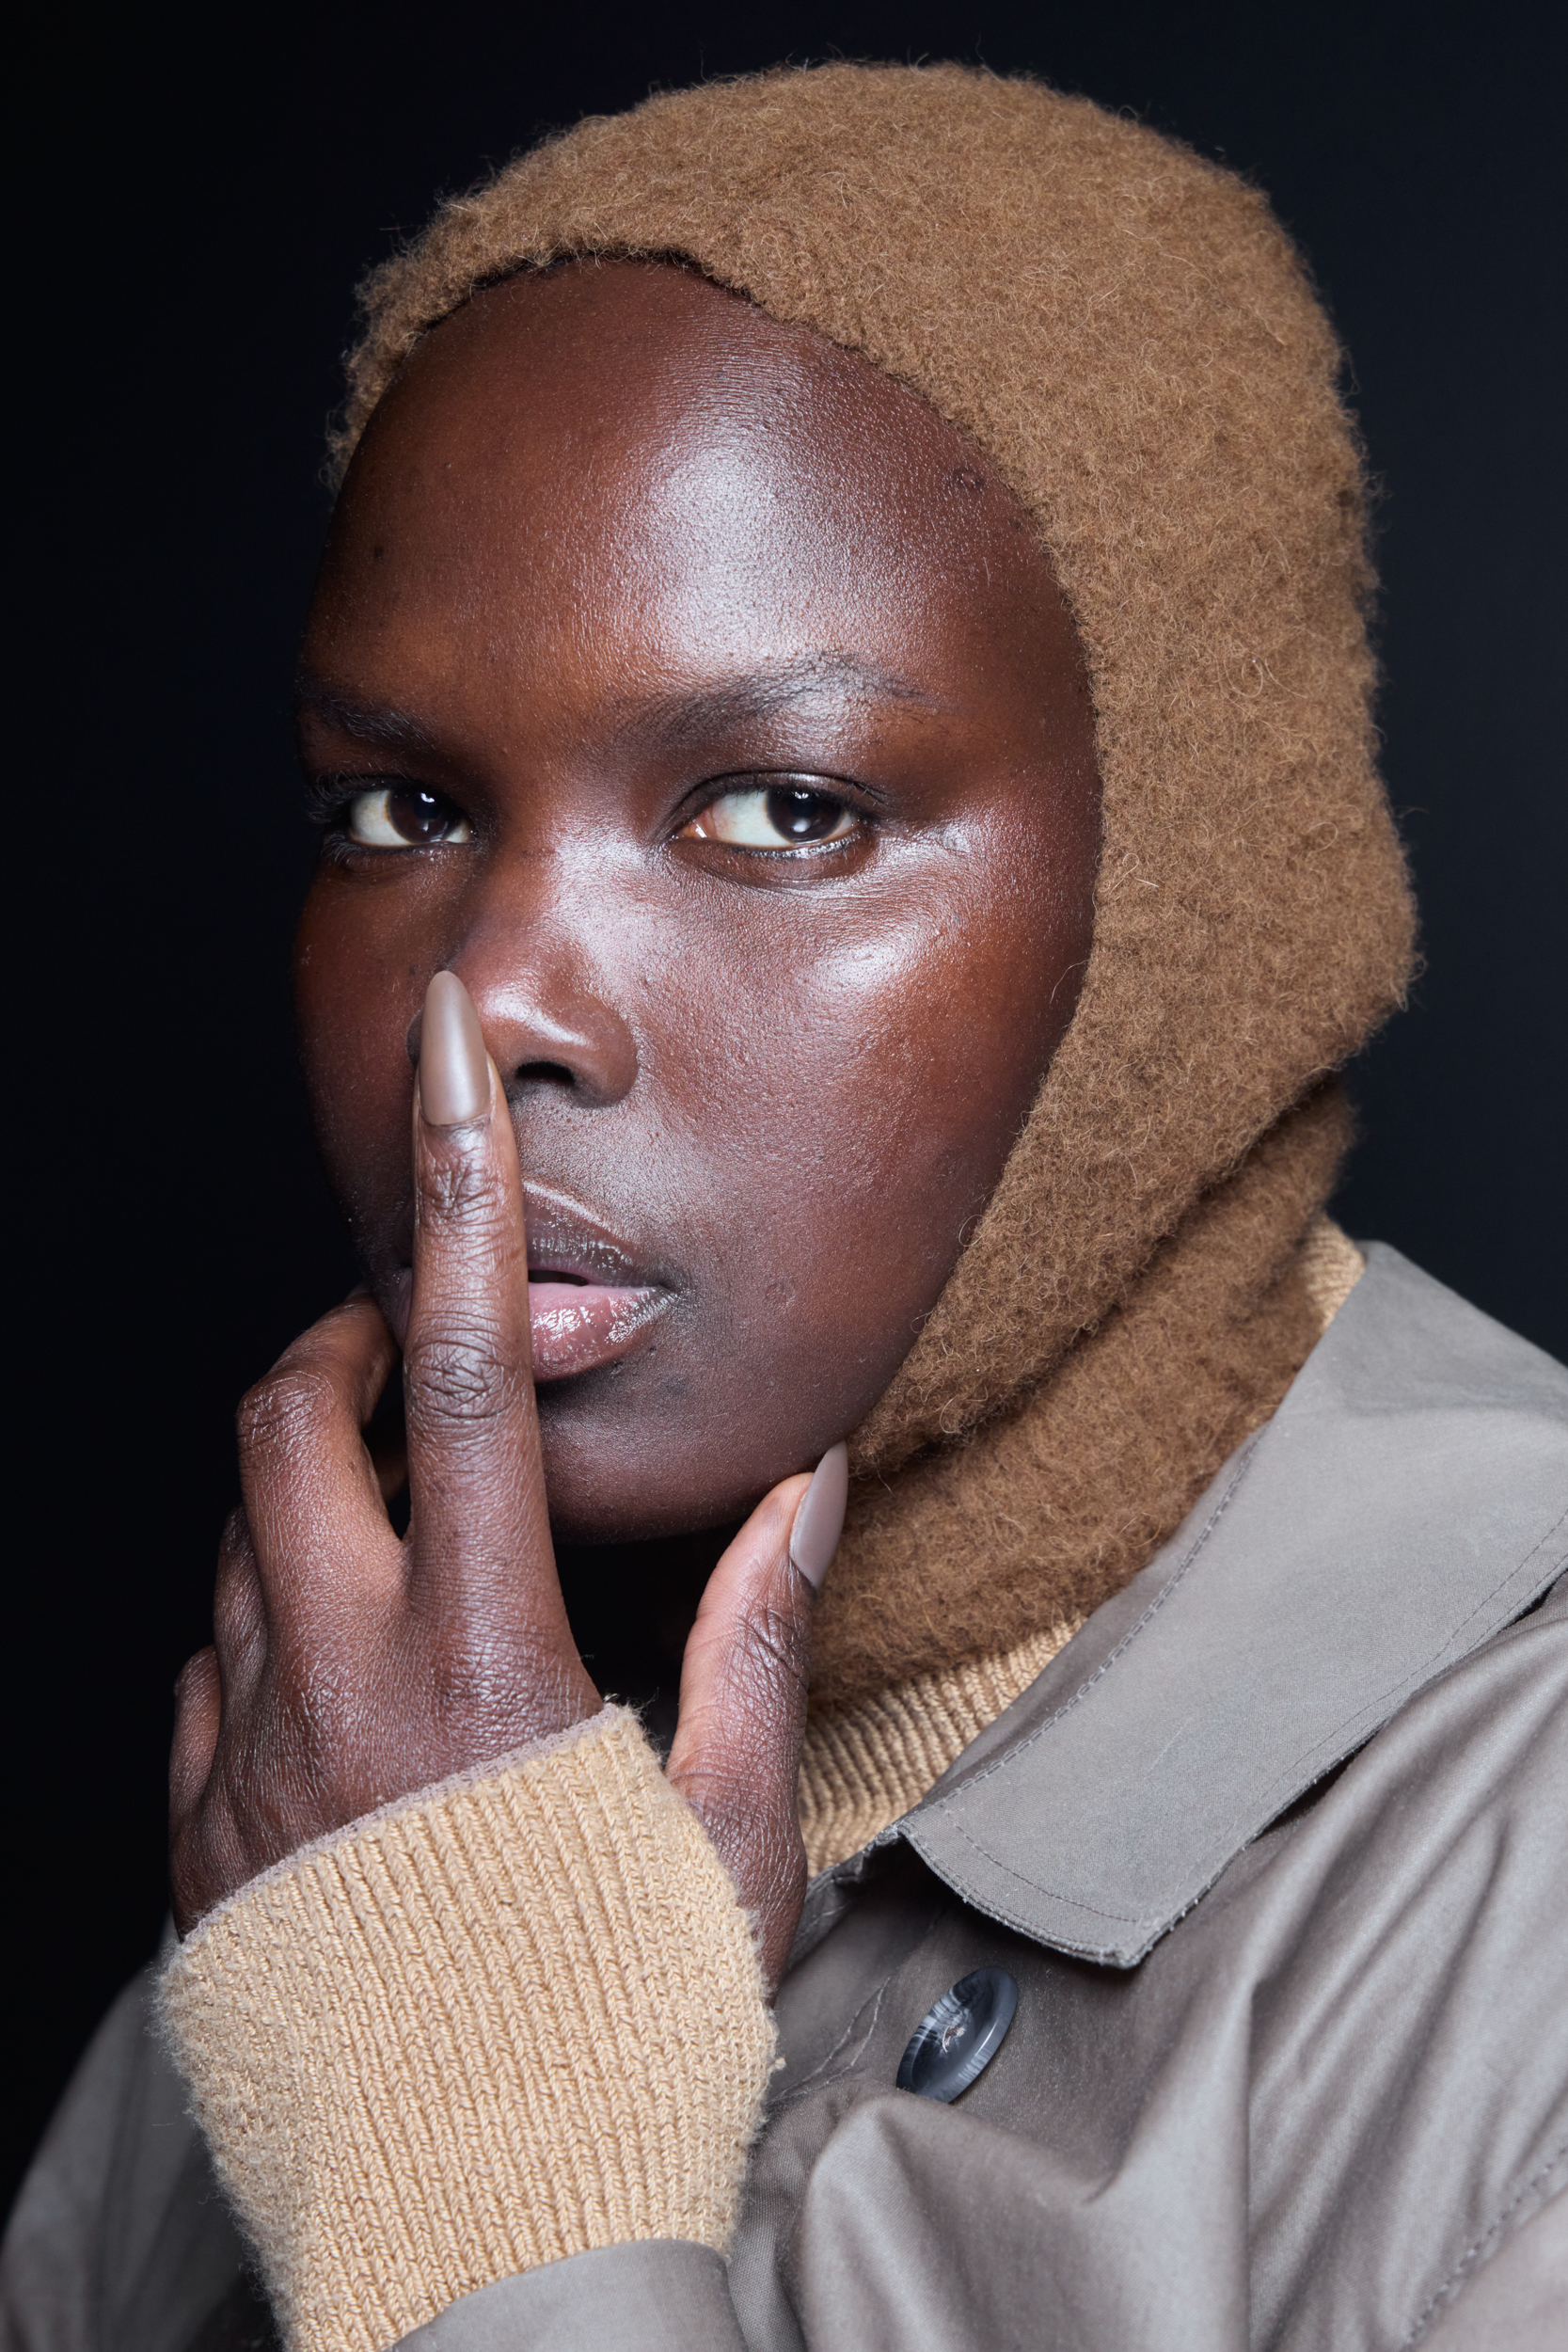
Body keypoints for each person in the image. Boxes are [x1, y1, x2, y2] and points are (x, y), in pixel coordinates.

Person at [4, 60, 1563, 2352]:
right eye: (399, 809)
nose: (498, 997)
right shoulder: (372, 1803)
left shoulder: (1517, 1898)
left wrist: (499, 2187)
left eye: (780, 811)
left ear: (1190, 897)